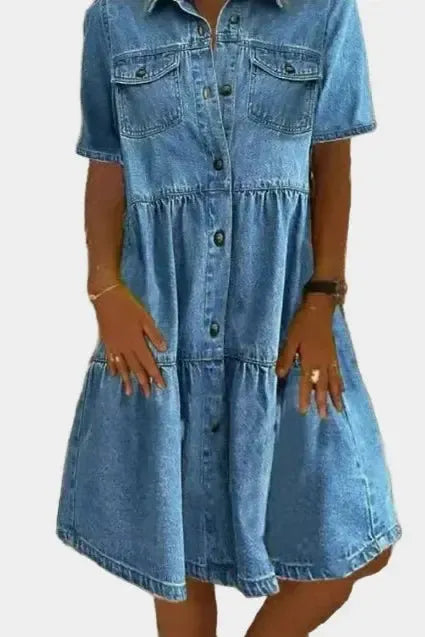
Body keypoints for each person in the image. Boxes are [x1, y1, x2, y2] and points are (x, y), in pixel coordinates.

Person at [56, 0, 402, 635]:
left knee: (359, 535)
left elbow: (332, 163)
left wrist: (323, 297)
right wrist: (105, 291)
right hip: (161, 312)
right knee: (176, 540)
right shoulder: (113, 18)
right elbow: (107, 165)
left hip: (284, 311)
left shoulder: (325, 12)